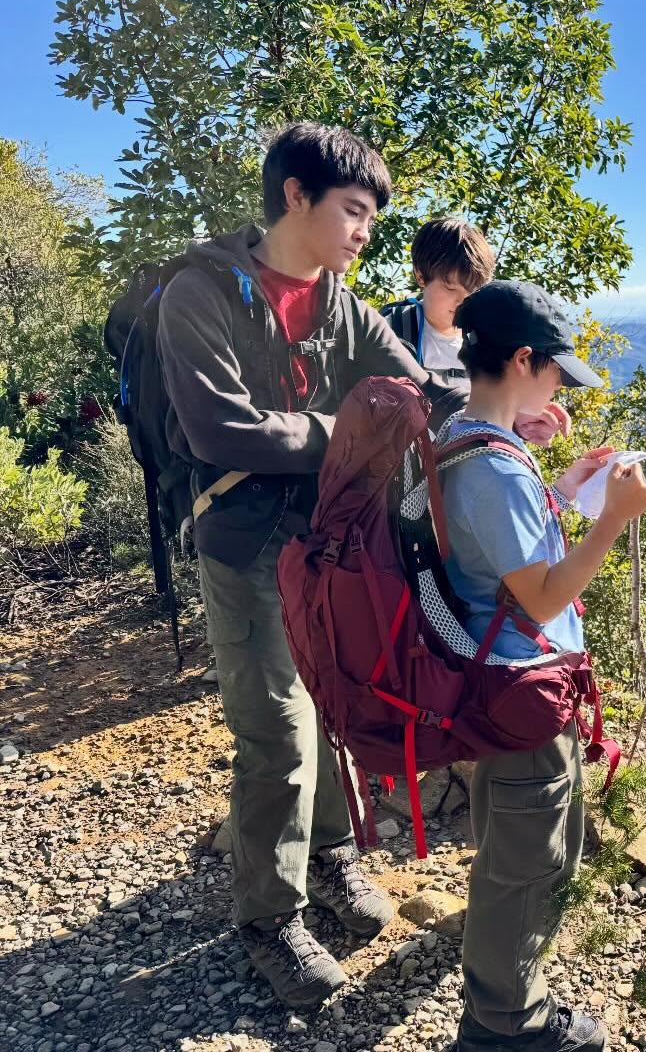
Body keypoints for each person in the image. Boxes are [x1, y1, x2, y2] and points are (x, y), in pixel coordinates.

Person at [158, 122, 469, 1007]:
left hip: (330, 547)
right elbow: (219, 430)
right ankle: (270, 921)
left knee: (335, 702)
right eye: (354, 210)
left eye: (371, 215)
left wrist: (501, 408)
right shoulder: (202, 293)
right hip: (248, 542)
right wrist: (348, 432)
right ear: (296, 194)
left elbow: (420, 389)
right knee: (279, 737)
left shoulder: (340, 303)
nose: (365, 231)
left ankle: (331, 857)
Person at [440, 281, 646, 1052]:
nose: (561, 384)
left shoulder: (465, 436)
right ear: (523, 359)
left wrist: (561, 489)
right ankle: (505, 1025)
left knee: (520, 850)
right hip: (519, 687)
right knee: (528, 862)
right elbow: (540, 596)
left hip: (499, 680)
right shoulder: (494, 469)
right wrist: (612, 520)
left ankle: (505, 1003)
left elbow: (502, 552)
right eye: (557, 370)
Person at [382, 216, 496, 388]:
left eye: (473, 292)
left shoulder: (488, 343)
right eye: (450, 288)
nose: (463, 301)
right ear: (420, 276)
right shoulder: (390, 329)